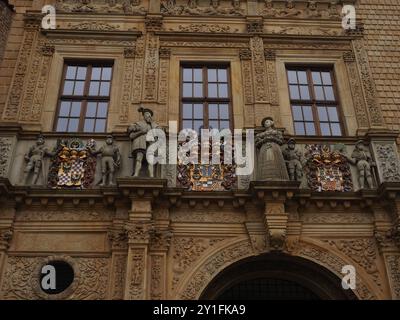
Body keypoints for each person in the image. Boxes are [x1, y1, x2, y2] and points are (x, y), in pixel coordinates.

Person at [127, 107, 160, 178]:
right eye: (146, 114)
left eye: (149, 114)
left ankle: (151, 175)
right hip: (140, 143)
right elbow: (130, 131)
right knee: (139, 158)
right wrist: (140, 130)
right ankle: (136, 174)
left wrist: (152, 125)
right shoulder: (139, 124)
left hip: (151, 144)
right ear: (144, 116)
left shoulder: (154, 125)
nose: (148, 115)